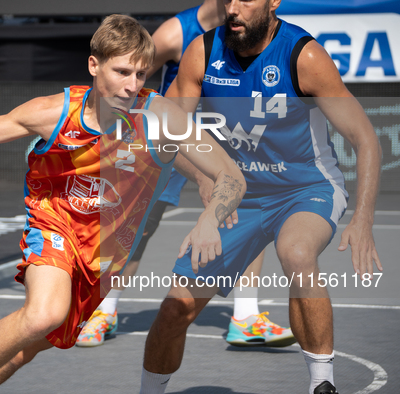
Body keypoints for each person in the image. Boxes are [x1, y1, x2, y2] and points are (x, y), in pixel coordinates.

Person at [0, 15, 245, 394]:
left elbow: (232, 176)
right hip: (54, 223)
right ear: (94, 65)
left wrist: (211, 215)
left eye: (140, 75)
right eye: (122, 72)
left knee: (27, 345)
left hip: (105, 255)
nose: (131, 86)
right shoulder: (54, 112)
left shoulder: (160, 116)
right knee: (44, 313)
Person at [140, 0, 382, 393]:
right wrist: (205, 176)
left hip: (305, 188)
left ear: (273, 2)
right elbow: (169, 135)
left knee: (297, 252)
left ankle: (323, 384)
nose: (233, 9)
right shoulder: (201, 52)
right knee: (175, 309)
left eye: (246, 0)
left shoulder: (303, 56)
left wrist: (363, 218)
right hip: (238, 193)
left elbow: (365, 138)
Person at [76, 0, 294, 349]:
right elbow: (123, 74)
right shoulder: (177, 32)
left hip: (225, 137)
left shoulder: (253, 26)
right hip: (169, 140)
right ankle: (102, 310)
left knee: (250, 211)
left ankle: (247, 316)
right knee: (140, 226)